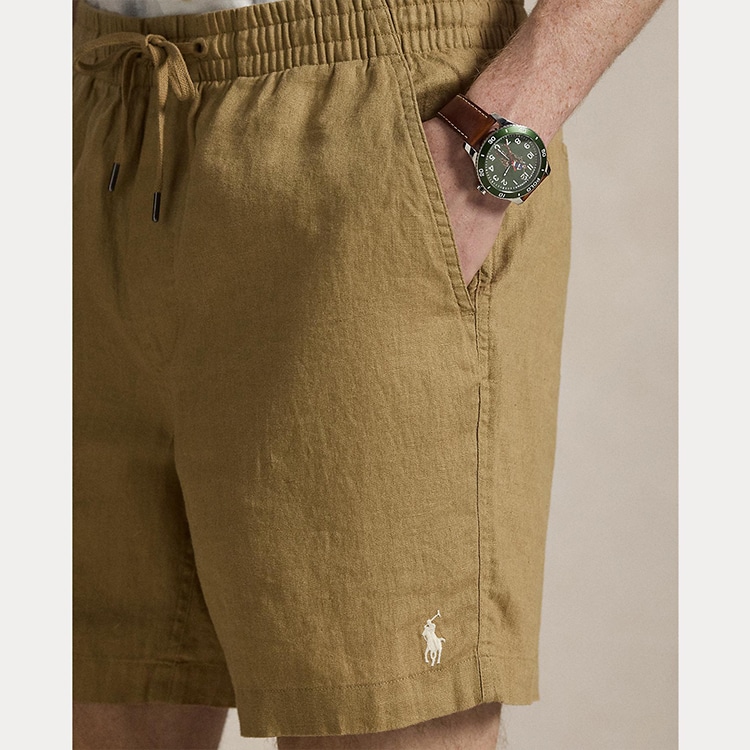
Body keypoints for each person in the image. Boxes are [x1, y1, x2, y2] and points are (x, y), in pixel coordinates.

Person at [71, 0, 665, 747]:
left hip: (369, 109)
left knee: (379, 716)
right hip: (108, 110)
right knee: (100, 705)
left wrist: (505, 124)